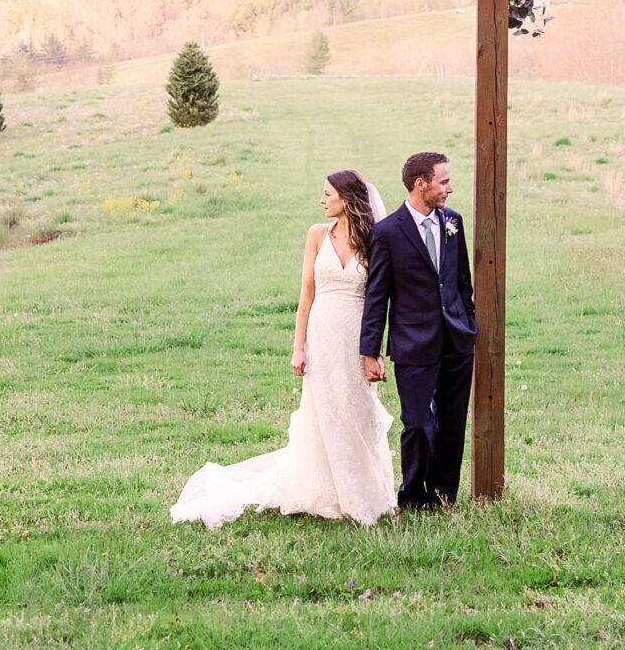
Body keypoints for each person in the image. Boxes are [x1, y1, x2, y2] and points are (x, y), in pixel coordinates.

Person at [169, 169, 397, 529]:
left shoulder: (374, 239)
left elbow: (379, 299)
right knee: (322, 410)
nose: (322, 200)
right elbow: (306, 296)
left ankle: (364, 491)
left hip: (356, 335)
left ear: (347, 199)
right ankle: (328, 492)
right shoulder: (316, 235)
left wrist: (375, 351)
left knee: (356, 408)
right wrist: (298, 348)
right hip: (321, 334)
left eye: (327, 194)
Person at [361, 151, 475, 510]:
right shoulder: (387, 233)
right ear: (420, 184)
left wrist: (468, 323)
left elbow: (462, 282)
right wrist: (371, 351)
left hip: (457, 339)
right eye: (443, 182)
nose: (449, 188)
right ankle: (412, 496)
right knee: (418, 424)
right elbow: (377, 296)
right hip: (412, 344)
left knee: (453, 423)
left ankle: (444, 496)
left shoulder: (452, 222)